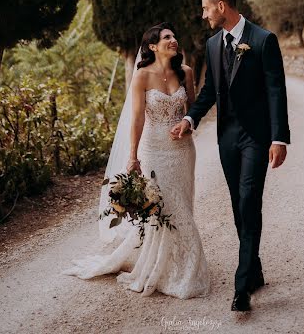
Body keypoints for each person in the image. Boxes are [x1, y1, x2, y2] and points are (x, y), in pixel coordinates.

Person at [62, 22, 210, 299]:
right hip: (153, 150)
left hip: (182, 150)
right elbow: (138, 118)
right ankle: (168, 268)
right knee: (163, 208)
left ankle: (179, 265)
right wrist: (132, 157)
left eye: (174, 35)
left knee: (182, 205)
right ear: (153, 46)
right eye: (167, 37)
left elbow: (194, 110)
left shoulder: (186, 72)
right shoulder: (142, 76)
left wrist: (188, 125)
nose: (174, 39)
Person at [171, 0, 290, 312]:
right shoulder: (212, 44)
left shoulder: (263, 40)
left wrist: (279, 138)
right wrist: (190, 120)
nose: (203, 14)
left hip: (256, 136)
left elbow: (275, 91)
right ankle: (254, 268)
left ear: (221, 7)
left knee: (250, 197)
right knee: (239, 204)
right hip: (228, 139)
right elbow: (210, 90)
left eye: (206, 8)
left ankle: (242, 288)